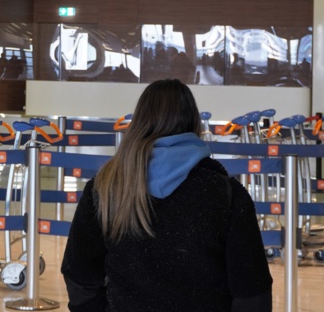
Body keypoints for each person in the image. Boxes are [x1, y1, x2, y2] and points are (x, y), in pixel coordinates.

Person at [61, 78, 272, 312]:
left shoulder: (106, 187)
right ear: (194, 122)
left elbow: (79, 275)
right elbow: (252, 291)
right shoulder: (227, 194)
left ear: (140, 120)